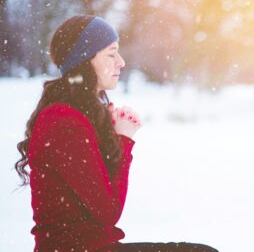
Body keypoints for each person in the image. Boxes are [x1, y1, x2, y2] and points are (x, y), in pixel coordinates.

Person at [15, 15, 218, 252]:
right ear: (85, 59)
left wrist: (111, 137)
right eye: (111, 54)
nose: (121, 62)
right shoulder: (63, 121)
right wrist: (123, 140)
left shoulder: (78, 115)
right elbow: (108, 212)